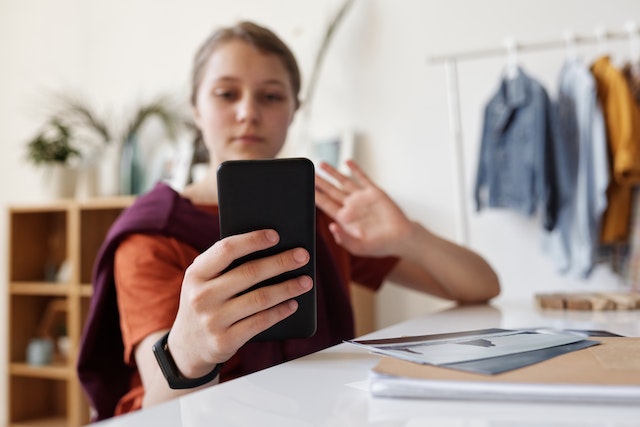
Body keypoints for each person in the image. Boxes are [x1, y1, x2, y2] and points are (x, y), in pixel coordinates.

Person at [77, 20, 500, 421]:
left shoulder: (325, 217)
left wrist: (410, 237)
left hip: (322, 414)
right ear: (195, 109)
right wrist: (187, 351)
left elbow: (482, 286)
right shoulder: (153, 235)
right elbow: (160, 402)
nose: (248, 112)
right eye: (226, 94)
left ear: (294, 109)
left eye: (271, 96)